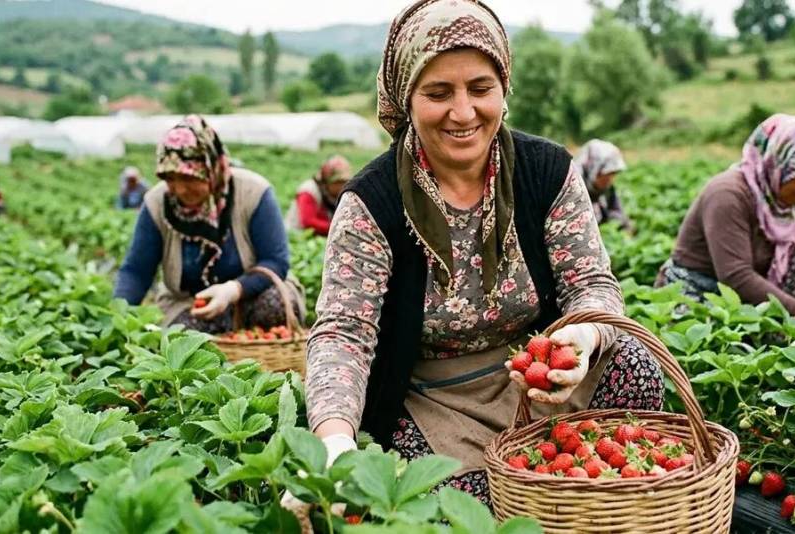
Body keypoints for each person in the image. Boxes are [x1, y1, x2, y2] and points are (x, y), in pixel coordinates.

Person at [292, 0, 664, 516]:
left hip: (541, 375)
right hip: (435, 399)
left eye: (480, 88)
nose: (464, 112)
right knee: (461, 505)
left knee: (635, 365)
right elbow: (343, 334)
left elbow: (591, 283)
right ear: (406, 97)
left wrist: (582, 336)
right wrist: (334, 444)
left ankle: (589, 498)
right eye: (438, 93)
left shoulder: (546, 172)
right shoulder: (372, 203)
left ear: (503, 89)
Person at [655, 114, 795, 329]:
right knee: (711, 335)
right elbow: (736, 276)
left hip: (756, 295)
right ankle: (786, 339)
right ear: (777, 164)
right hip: (701, 293)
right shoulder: (727, 194)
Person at [113, 114, 302, 332]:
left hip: (252, 294)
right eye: (170, 178)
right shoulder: (156, 203)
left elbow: (276, 261)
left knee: (274, 306)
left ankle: (255, 346)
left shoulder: (254, 192)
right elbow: (137, 271)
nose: (180, 189)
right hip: (190, 304)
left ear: (212, 169)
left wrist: (233, 290)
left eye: (189, 178)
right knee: (184, 335)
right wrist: (118, 321)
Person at [572, 139, 634, 234]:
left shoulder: (607, 189)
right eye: (607, 174)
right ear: (594, 169)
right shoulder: (574, 192)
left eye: (613, 174)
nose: (610, 179)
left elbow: (617, 212)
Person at [284, 155, 352, 236]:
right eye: (338, 182)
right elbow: (308, 222)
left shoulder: (336, 194)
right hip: (297, 235)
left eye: (344, 182)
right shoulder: (308, 191)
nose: (342, 186)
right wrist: (338, 227)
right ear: (327, 181)